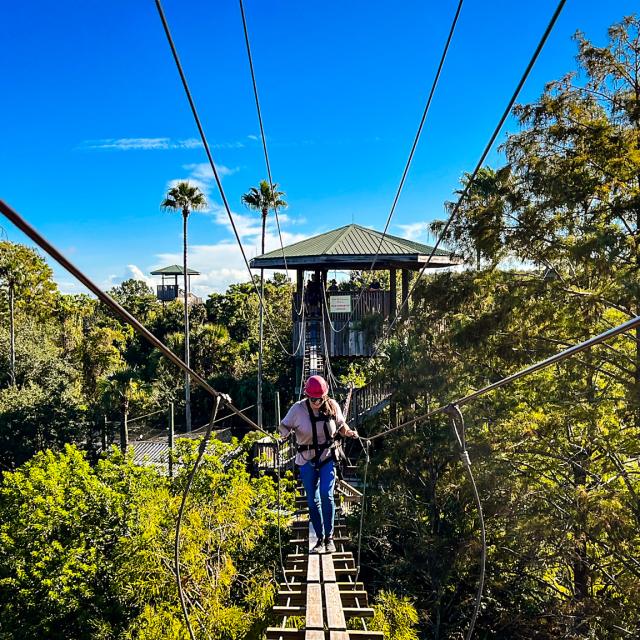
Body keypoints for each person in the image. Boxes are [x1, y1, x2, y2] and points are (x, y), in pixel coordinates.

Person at [279, 374, 358, 553]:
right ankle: (320, 538)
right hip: (306, 460)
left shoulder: (332, 405)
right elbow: (283, 426)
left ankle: (329, 538)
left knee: (326, 495)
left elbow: (341, 426)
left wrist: (349, 433)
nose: (316, 402)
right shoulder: (297, 409)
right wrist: (283, 434)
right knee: (313, 502)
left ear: (325, 396)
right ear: (307, 396)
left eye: (320, 398)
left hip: (327, 457)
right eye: (313, 399)